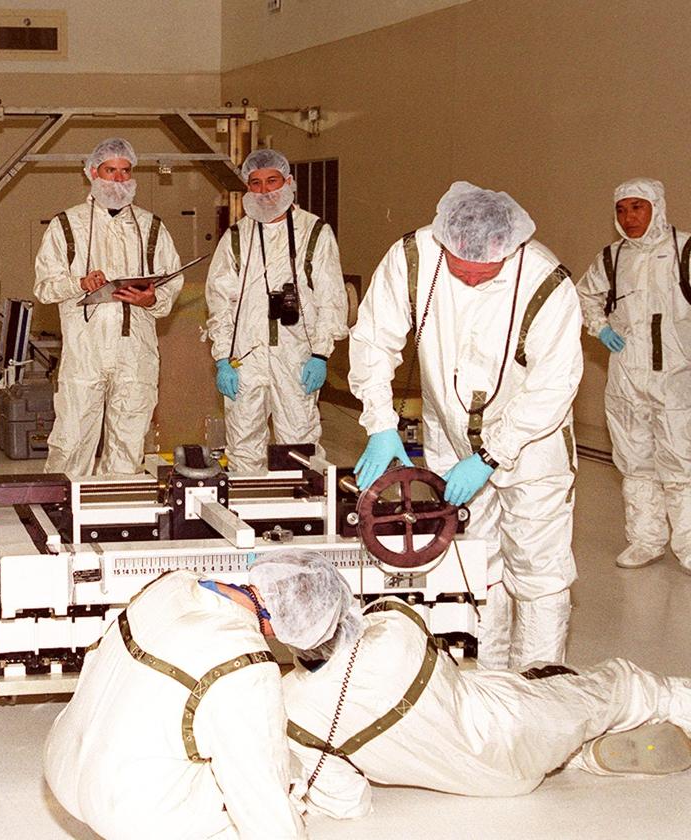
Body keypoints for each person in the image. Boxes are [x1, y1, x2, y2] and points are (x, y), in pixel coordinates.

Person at [348, 181, 583, 671]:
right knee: (476, 559)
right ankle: (489, 682)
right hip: (451, 438)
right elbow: (373, 339)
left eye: (485, 273)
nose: (472, 280)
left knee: (538, 571)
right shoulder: (413, 259)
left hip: (531, 441)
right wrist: (380, 422)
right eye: (462, 271)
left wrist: (494, 453)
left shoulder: (545, 281)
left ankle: (540, 690)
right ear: (444, 243)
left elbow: (553, 384)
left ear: (511, 250)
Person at [265, 552, 691, 820]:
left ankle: (584, 757)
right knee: (617, 682)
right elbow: (385, 609)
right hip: (516, 722)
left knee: (521, 690)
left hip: (490, 785)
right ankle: (667, 707)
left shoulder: (293, 710)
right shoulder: (393, 629)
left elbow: (349, 804)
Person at [43, 569, 307, 839]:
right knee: (281, 779)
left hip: (64, 763)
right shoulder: (249, 664)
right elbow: (262, 800)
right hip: (126, 814)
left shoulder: (174, 582)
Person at [34, 137, 184, 477]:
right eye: (109, 170)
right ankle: (62, 512)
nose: (117, 179)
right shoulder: (66, 226)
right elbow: (43, 287)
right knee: (72, 440)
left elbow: (172, 282)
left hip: (136, 353)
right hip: (84, 353)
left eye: (125, 171)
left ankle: (118, 514)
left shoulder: (151, 228)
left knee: (129, 441)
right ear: (92, 172)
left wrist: (153, 299)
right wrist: (79, 283)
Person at [205, 149, 348, 471]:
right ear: (246, 189)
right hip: (245, 359)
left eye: (272, 181)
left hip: (297, 358)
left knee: (299, 447)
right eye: (255, 183)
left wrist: (321, 354)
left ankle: (299, 517)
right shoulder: (237, 237)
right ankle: (245, 514)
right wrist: (222, 357)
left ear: (288, 182)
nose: (265, 190)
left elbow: (331, 299)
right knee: (242, 446)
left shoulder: (315, 232)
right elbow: (219, 302)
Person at [576, 178, 691, 572]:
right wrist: (599, 327)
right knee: (635, 460)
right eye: (622, 209)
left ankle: (689, 546)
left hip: (677, 379)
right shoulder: (612, 258)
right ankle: (645, 539)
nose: (629, 217)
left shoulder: (685, 250)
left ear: (656, 207)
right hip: (626, 379)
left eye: (638, 207)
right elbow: (583, 295)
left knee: (681, 463)